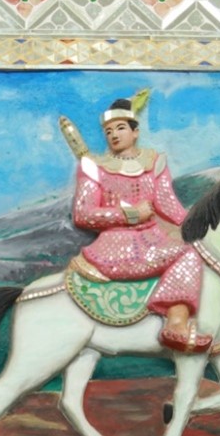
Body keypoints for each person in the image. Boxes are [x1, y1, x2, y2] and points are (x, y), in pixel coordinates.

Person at [72, 96, 210, 353]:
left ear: (135, 132)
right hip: (115, 247)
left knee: (198, 247)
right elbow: (83, 214)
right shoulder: (95, 167)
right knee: (188, 254)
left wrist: (198, 226)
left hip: (153, 240)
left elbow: (168, 204)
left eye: (120, 128)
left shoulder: (153, 163)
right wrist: (130, 215)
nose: (114, 135)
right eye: (108, 131)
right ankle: (176, 325)